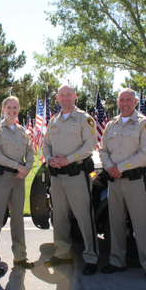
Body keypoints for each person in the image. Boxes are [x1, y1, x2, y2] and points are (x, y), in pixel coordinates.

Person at [99, 88, 146, 283]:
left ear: (135, 102)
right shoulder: (111, 124)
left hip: (135, 181)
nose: (125, 104)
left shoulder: (144, 124)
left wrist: (120, 168)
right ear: (117, 102)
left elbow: (145, 154)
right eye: (121, 100)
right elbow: (103, 151)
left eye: (129, 100)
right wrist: (110, 168)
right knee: (115, 222)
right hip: (115, 182)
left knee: (142, 223)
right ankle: (117, 261)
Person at [42, 84, 99, 276]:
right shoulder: (54, 121)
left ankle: (91, 256)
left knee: (84, 217)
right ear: (57, 98)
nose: (65, 98)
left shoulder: (85, 119)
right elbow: (46, 144)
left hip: (77, 176)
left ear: (74, 96)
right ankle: (62, 253)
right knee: (59, 217)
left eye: (69, 95)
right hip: (57, 178)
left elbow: (89, 146)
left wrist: (68, 159)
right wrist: (49, 158)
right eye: (62, 95)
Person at [0, 96, 34, 275]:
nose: (12, 110)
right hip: (2, 177)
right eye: (9, 107)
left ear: (18, 109)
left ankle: (20, 256)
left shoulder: (23, 131)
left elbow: (30, 151)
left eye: (15, 107)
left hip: (19, 179)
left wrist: (27, 168)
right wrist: (18, 166)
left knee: (17, 218)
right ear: (3, 108)